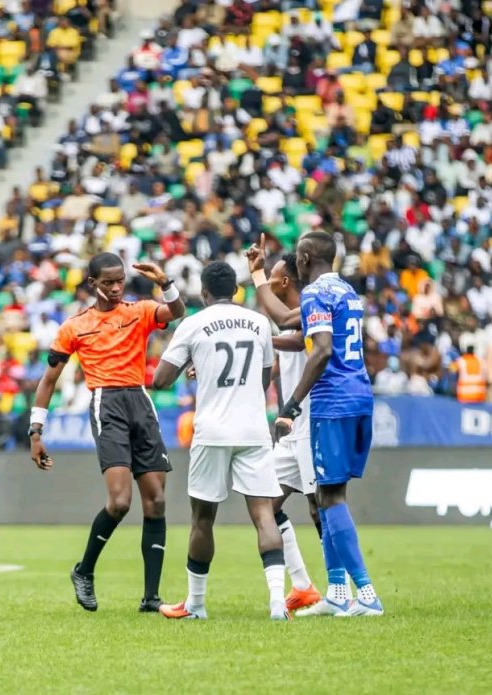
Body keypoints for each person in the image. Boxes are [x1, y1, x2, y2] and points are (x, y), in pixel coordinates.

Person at [29, 252, 185, 613]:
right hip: (107, 404)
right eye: (108, 282)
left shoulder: (139, 311)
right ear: (92, 283)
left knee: (156, 502)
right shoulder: (74, 327)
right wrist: (36, 431)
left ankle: (151, 598)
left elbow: (176, 312)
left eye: (120, 281)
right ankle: (84, 571)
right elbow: (48, 380)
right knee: (120, 502)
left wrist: (165, 282)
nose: (116, 288)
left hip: (140, 402)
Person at [248, 232, 384, 617]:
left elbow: (320, 348)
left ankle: (366, 594)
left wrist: (291, 405)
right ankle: (337, 592)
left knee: (331, 498)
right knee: (324, 498)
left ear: (305, 259)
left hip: (332, 402)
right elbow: (296, 330)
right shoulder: (347, 292)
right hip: (359, 394)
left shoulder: (314, 294)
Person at [151, 261, 288, 621]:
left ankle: (196, 604)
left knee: (202, 519)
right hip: (253, 430)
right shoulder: (259, 322)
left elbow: (161, 380)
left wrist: (199, 367)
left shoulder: (193, 323)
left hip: (212, 431)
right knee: (264, 514)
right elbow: (262, 381)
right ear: (236, 291)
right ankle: (278, 602)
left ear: (204, 293)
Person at [256, 253, 322, 612]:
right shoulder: (286, 323)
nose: (269, 282)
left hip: (311, 422)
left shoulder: (310, 310)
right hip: (290, 432)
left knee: (320, 508)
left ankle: (342, 588)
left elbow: (299, 342)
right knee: (265, 505)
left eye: (273, 277)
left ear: (285, 282)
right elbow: (277, 367)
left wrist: (261, 338)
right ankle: (303, 586)